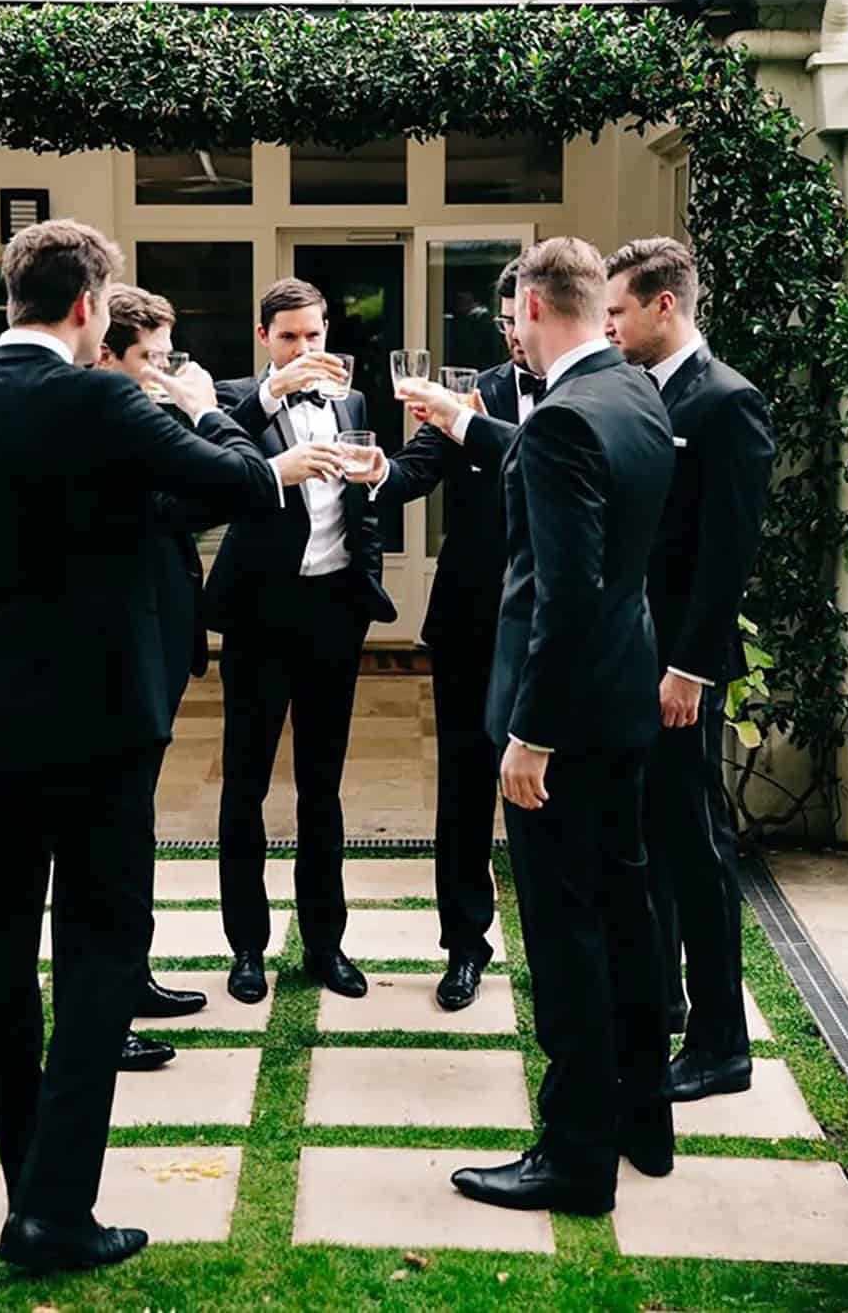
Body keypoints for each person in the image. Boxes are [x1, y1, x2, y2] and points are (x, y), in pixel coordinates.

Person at [0, 220, 338, 1272]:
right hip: (100, 719)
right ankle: (53, 1211)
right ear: (90, 306)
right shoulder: (100, 397)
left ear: (13, 298)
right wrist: (204, 407)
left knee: (2, 937)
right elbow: (233, 481)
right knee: (100, 943)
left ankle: (29, 1183)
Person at [398, 238, 675, 1216]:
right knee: (626, 914)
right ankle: (644, 1114)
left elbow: (564, 594)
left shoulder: (563, 418)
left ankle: (574, 1154)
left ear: (535, 310)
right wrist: (468, 424)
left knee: (567, 940)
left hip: (568, 721)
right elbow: (571, 487)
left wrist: (532, 735)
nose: (504, 330)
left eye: (510, 316)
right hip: (624, 702)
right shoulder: (634, 392)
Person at [349, 258, 545, 1010]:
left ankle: (559, 945)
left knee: (551, 790)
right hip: (470, 622)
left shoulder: (589, 393)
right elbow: (415, 471)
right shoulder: (480, 389)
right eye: (501, 324)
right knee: (462, 789)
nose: (511, 337)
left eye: (517, 322)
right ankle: (464, 945)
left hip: (555, 627)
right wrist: (374, 471)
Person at [605, 237, 775, 1102]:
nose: (611, 325)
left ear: (664, 305)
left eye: (620, 311)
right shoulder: (639, 393)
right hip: (634, 659)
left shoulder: (728, 403)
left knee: (699, 848)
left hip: (680, 673)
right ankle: (665, 1005)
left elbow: (725, 555)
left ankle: (722, 1045)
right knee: (654, 839)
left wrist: (691, 671)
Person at [207, 277, 397, 1005]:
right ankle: (247, 947)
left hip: (332, 616)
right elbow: (217, 465)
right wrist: (273, 391)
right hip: (259, 615)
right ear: (265, 339)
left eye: (314, 335)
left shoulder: (350, 401)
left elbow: (362, 502)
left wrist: (367, 580)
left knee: (323, 788)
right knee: (246, 787)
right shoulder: (231, 401)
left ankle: (326, 943)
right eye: (289, 336)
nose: (305, 348)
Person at [95, 283, 217, 1071]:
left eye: (168, 357)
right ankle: (105, 1004)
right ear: (104, 351)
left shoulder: (142, 413)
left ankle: (131, 976)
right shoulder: (96, 423)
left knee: (134, 824)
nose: (161, 373)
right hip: (113, 650)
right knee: (108, 836)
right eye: (149, 358)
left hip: (162, 634)